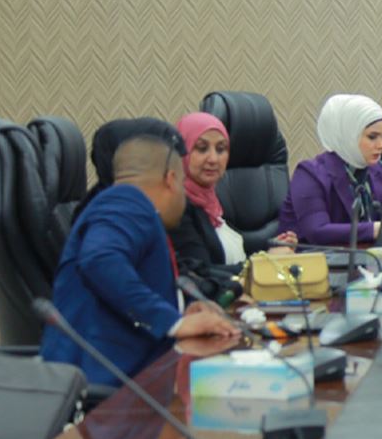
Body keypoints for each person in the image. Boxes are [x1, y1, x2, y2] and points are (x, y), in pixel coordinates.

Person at [39, 134, 240, 385]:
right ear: (170, 179)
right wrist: (173, 322)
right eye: (182, 184)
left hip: (126, 376)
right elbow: (100, 260)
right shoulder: (127, 203)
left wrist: (182, 309)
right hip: (104, 386)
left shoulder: (126, 206)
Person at [277, 94, 382, 246]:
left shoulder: (375, 170)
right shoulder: (310, 174)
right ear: (348, 135)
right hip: (315, 258)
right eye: (372, 137)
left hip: (366, 255)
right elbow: (317, 232)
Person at [172, 112, 250, 267]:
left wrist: (272, 254)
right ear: (182, 152)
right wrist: (262, 265)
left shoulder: (214, 202)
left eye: (221, 149)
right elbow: (203, 273)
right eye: (202, 148)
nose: (213, 159)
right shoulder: (177, 208)